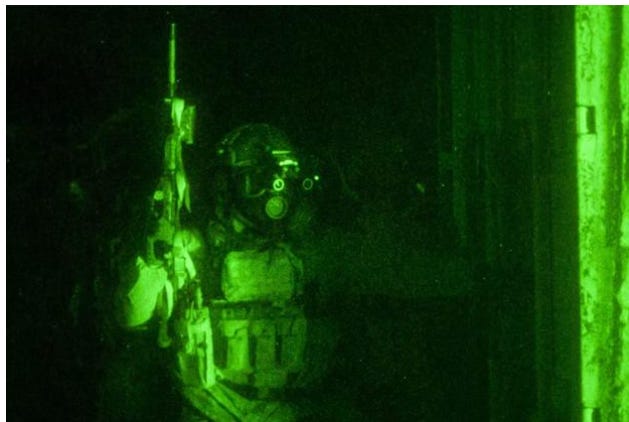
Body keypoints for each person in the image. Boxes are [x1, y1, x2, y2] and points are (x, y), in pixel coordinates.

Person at [115, 123, 320, 421]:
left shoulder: (302, 254)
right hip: (210, 410)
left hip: (281, 411)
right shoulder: (191, 247)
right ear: (227, 186)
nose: (273, 192)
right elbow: (132, 315)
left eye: (282, 181)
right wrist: (151, 258)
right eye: (256, 181)